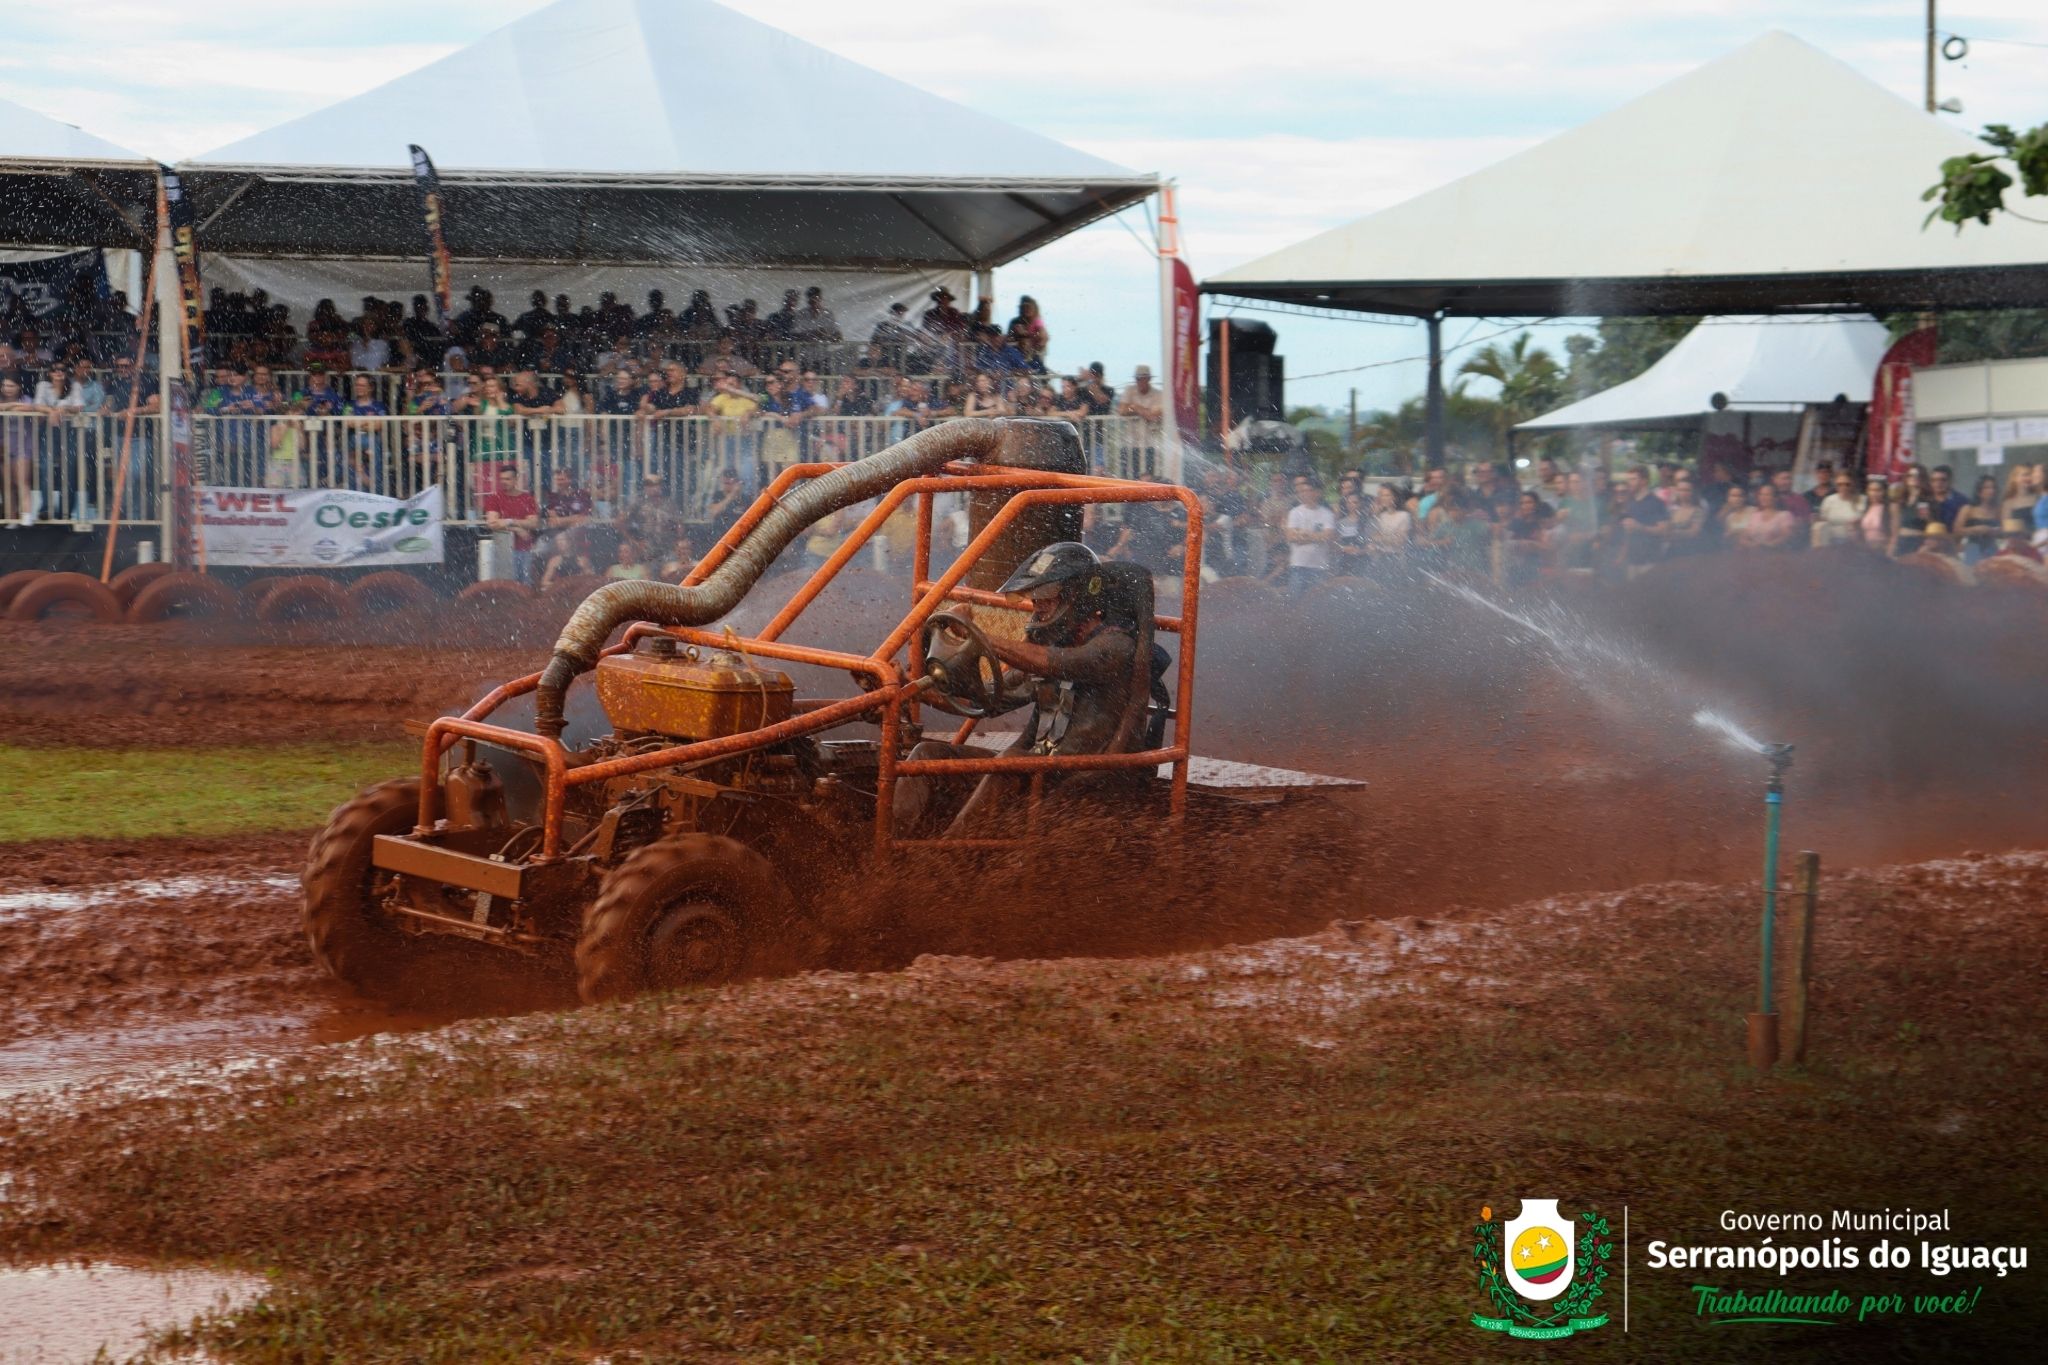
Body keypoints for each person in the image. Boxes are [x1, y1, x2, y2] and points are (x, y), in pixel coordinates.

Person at [895, 541, 1143, 839]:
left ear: (1078, 595)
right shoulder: (1047, 648)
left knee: (1011, 761)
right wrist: (908, 688)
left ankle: (948, 859)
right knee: (927, 754)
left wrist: (980, 636)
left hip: (1079, 778)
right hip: (1036, 769)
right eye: (1034, 599)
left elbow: (1060, 664)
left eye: (1045, 598)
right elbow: (986, 700)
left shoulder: (1116, 646)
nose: (1037, 608)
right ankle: (888, 848)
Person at [481, 463, 541, 582]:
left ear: (516, 479)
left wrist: (509, 521)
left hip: (525, 549)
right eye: (502, 479)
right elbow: (492, 524)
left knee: (525, 585)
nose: (503, 482)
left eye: (507, 479)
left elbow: (534, 523)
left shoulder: (527, 498)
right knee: (508, 586)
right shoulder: (494, 498)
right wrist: (517, 528)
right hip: (504, 549)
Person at [1282, 475, 1337, 594]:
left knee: (1317, 603)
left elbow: (1328, 536)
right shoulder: (1294, 513)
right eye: (1302, 491)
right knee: (1295, 601)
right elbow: (1290, 537)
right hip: (1298, 565)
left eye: (1307, 491)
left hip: (1319, 566)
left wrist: (1304, 535)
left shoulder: (1327, 514)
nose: (1303, 494)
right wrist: (1317, 536)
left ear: (1317, 493)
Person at [1954, 474, 2005, 564]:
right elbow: (1957, 530)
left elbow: (2004, 530)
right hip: (1972, 548)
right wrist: (1975, 529)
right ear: (1979, 491)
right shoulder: (1968, 509)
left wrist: (1994, 531)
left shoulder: (1998, 509)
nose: (1991, 491)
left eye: (1993, 487)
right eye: (1987, 488)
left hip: (1991, 548)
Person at [1813, 470, 1866, 548]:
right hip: (1831, 542)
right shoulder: (1829, 500)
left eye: (1847, 484)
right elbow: (1822, 522)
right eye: (1839, 484)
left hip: (1853, 543)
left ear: (1853, 484)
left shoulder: (1862, 500)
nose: (1843, 487)